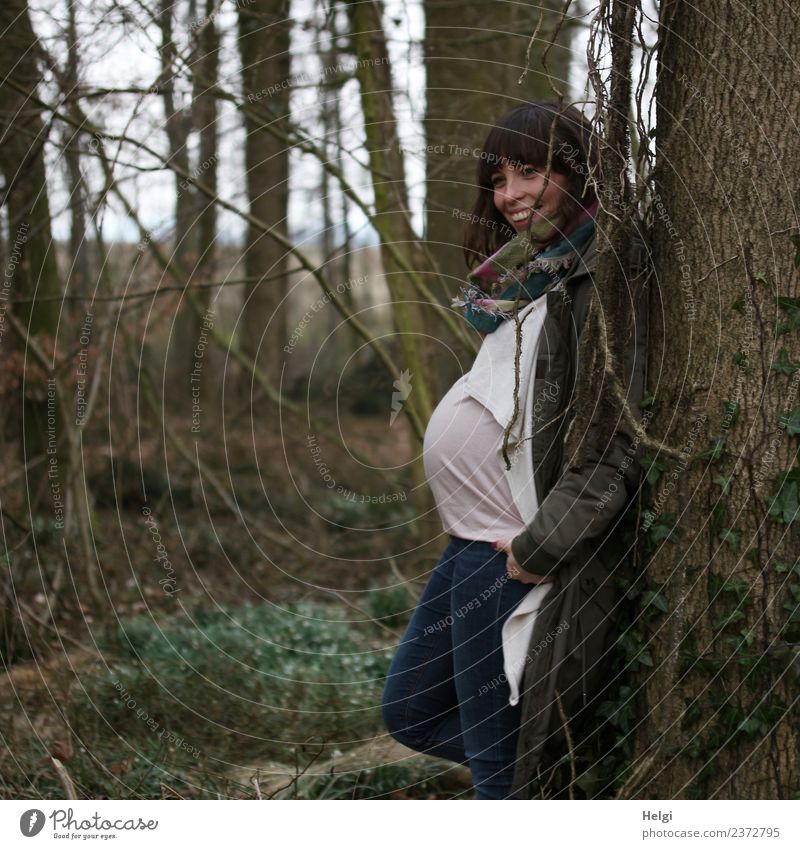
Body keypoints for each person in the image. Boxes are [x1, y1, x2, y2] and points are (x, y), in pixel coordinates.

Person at [380, 101, 647, 799]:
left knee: (502, 773)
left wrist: (538, 547)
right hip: (468, 547)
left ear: (577, 170)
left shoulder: (600, 284)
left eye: (530, 171)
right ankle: (549, 791)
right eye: (498, 179)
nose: (510, 195)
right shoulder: (523, 282)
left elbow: (614, 443)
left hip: (512, 555)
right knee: (409, 710)